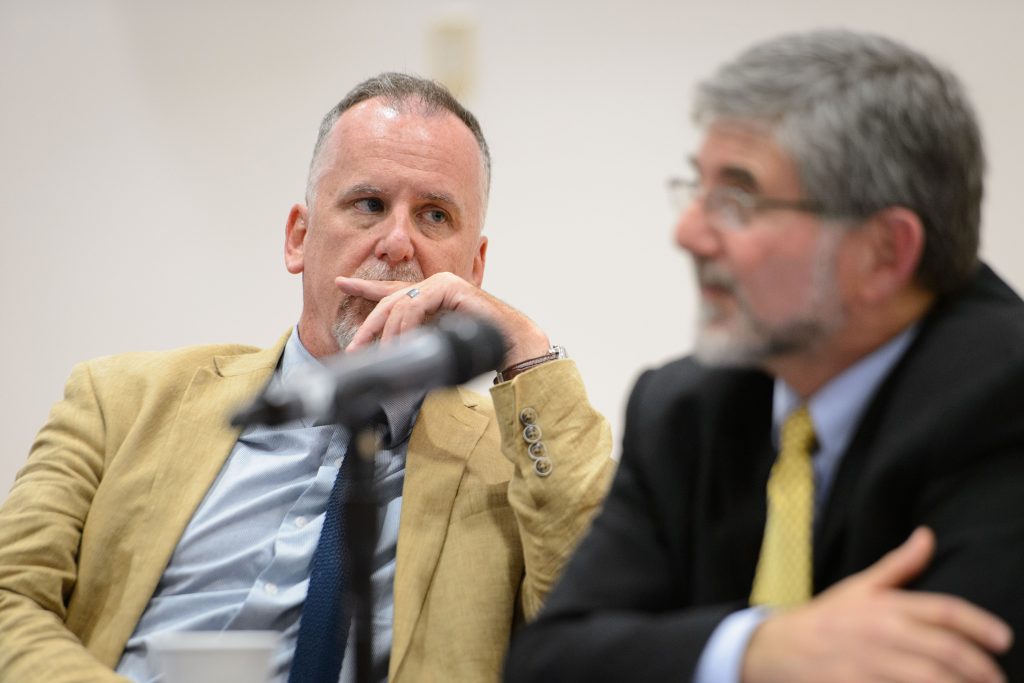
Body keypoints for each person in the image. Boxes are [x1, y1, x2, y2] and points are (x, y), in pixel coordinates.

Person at [0, 73, 613, 683]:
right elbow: (11, 599)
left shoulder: (518, 470)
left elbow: (602, 640)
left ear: (474, 269)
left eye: (434, 215)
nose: (398, 243)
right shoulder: (119, 401)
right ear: (299, 237)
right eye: (369, 204)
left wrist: (526, 349)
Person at [504, 29, 1023, 683]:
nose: (688, 232)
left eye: (738, 199)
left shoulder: (1004, 401)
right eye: (696, 188)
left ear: (885, 253)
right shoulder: (684, 407)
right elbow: (549, 662)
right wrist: (753, 650)